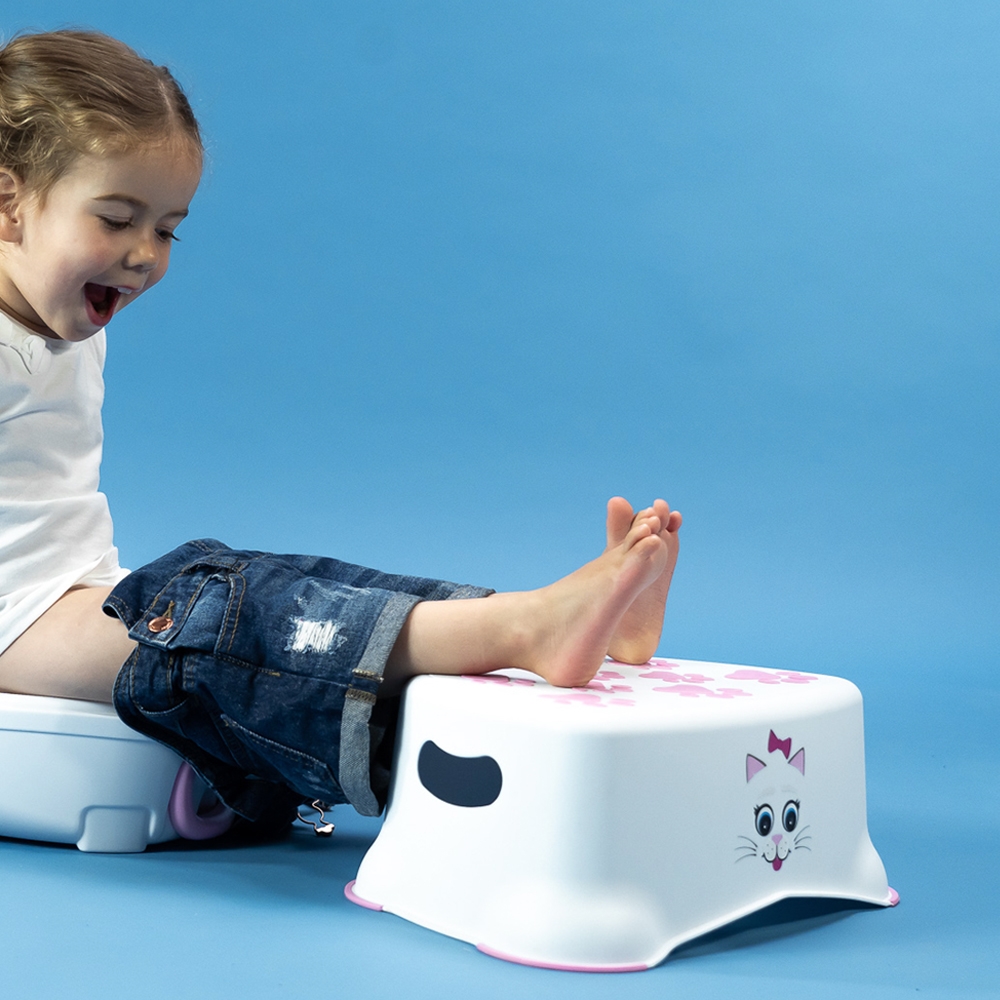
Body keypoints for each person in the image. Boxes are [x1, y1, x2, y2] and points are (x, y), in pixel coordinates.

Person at [0, 30, 682, 829]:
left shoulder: (61, 314)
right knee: (229, 617)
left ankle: (568, 618)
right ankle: (530, 628)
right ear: (9, 204)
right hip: (18, 628)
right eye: (117, 219)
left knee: (288, 586)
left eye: (166, 229)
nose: (144, 254)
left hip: (76, 591)